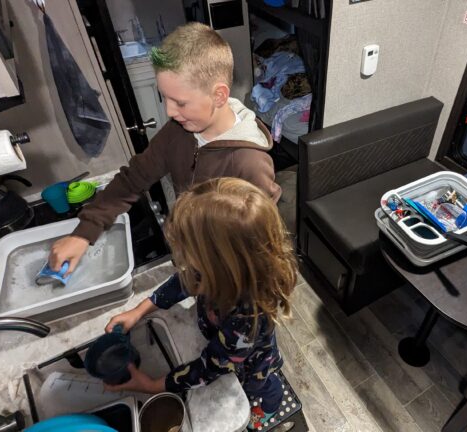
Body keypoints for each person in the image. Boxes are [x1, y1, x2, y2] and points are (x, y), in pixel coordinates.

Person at [49, 22, 280, 275]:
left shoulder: (250, 163)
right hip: (188, 254)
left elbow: (261, 242)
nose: (169, 112)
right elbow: (133, 177)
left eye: (180, 102)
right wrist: (84, 232)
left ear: (219, 96)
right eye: (165, 98)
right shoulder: (178, 132)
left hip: (224, 270)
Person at [104, 178, 297, 430]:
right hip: (229, 347)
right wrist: (140, 309)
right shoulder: (217, 270)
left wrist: (153, 386)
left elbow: (212, 366)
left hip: (252, 363)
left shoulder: (246, 317)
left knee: (261, 384)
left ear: (218, 264)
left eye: (188, 251)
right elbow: (183, 281)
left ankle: (271, 406)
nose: (184, 258)